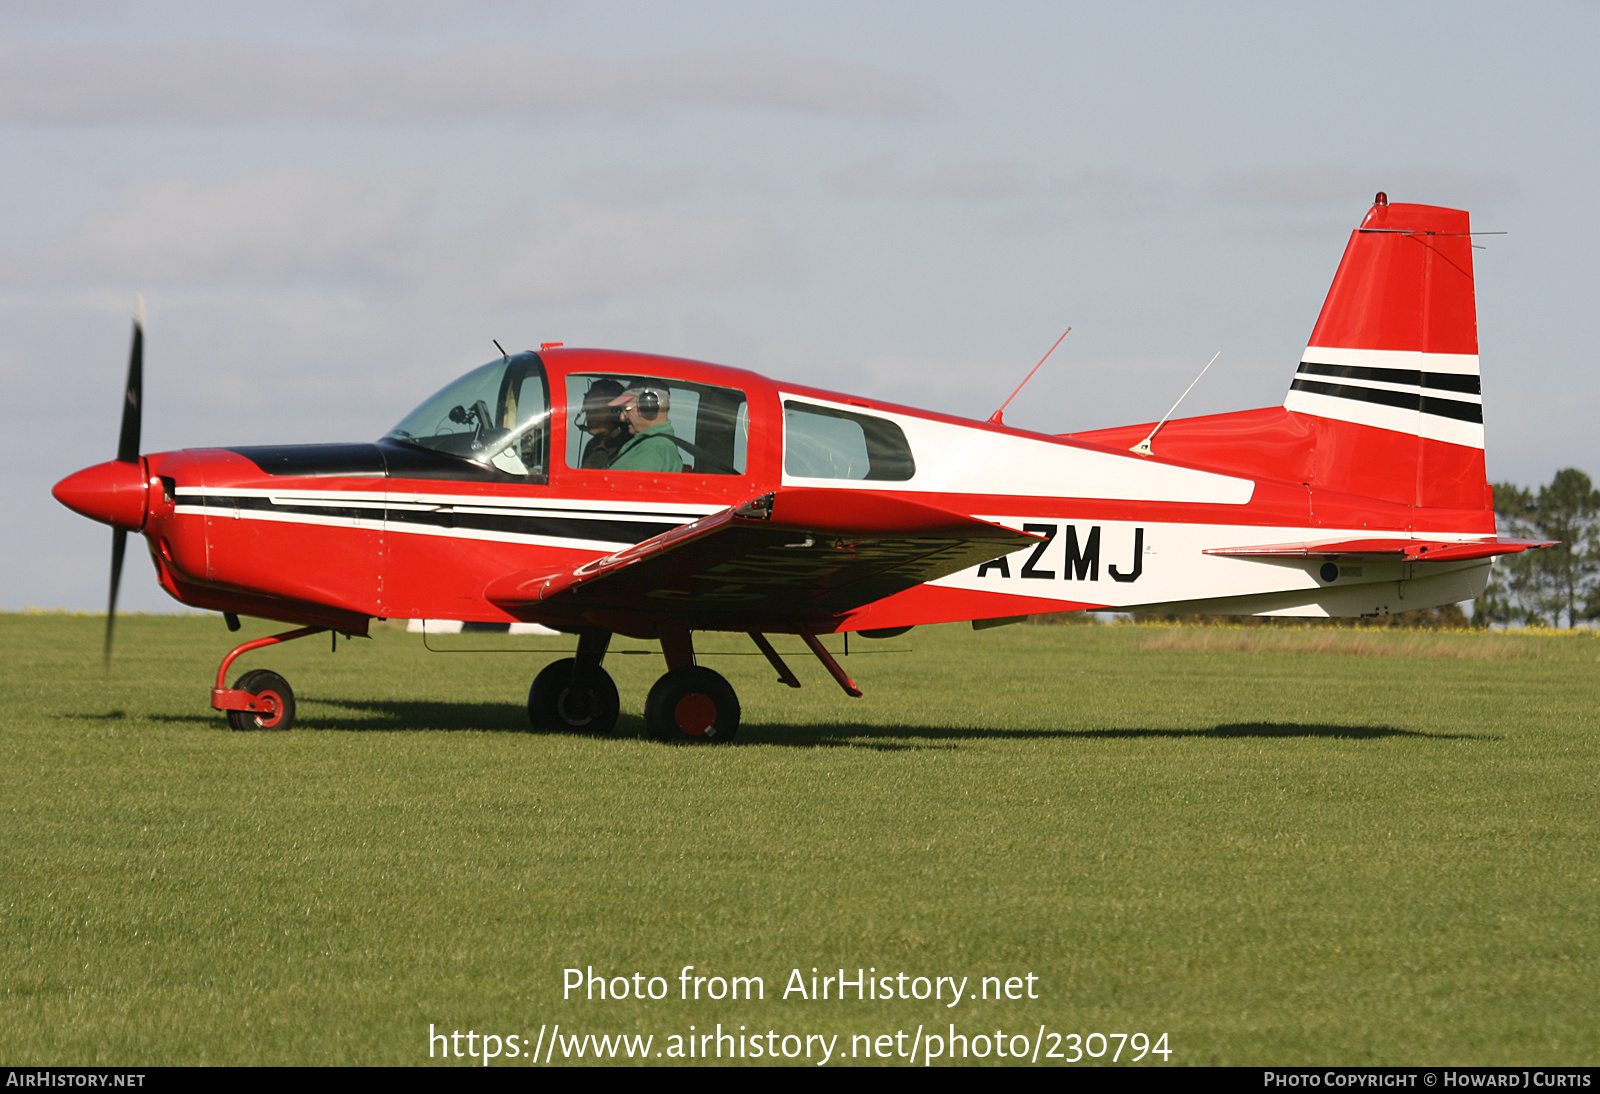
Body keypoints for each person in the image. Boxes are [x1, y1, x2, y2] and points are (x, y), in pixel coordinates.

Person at [607, 385, 683, 472]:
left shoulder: (653, 449)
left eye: (627, 410)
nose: (622, 417)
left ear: (648, 406)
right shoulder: (651, 445)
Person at [576, 378, 627, 469]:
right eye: (588, 410)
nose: (590, 416)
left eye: (596, 410)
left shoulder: (626, 447)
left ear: (616, 411)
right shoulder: (593, 445)